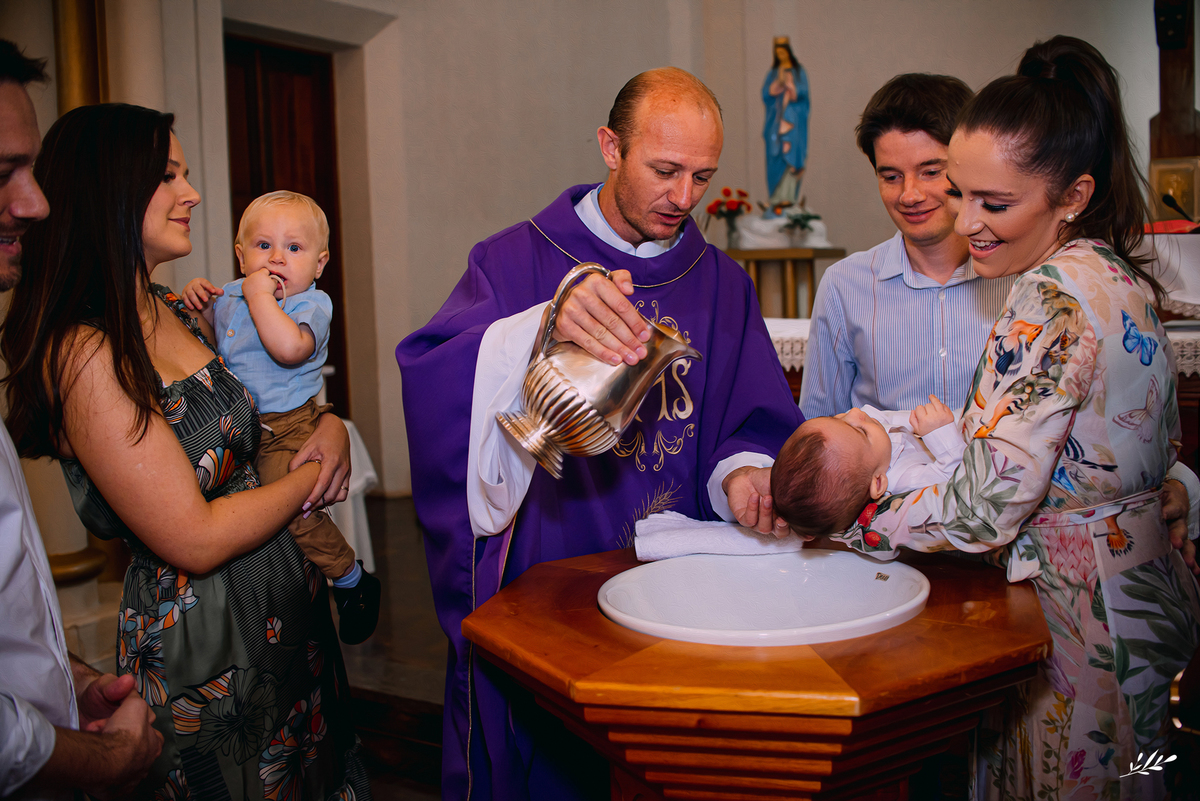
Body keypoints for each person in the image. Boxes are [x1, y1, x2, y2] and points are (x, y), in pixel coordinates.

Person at [397, 67, 803, 800]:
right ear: (611, 148)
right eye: (665, 170)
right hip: (548, 581)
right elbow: (434, 378)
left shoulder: (722, 283)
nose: (684, 197)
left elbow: (750, 415)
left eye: (703, 176)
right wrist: (540, 325)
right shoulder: (513, 258)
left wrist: (743, 472)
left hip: (678, 591)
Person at [834, 36, 1200, 799]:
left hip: (1077, 616)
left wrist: (857, 517)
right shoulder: (1116, 273)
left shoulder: (1048, 299)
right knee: (1142, 774)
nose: (967, 221)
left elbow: (982, 510)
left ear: (1072, 195)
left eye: (994, 203)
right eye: (961, 192)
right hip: (1140, 596)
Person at [1, 102, 371, 800]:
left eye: (186, 173)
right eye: (168, 175)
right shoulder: (85, 352)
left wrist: (328, 425)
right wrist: (316, 475)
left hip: (285, 612)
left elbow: (262, 409)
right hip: (210, 646)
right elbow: (193, 538)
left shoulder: (173, 308)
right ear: (110, 188)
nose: (192, 193)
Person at [0, 39, 162, 801]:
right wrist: (100, 760)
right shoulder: (84, 350)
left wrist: (61, 677)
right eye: (2, 172)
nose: (35, 203)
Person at [182, 190, 381, 645]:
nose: (276, 258)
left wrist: (258, 296)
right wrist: (204, 310)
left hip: (289, 424)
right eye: (263, 245)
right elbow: (214, 350)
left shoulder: (310, 303)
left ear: (319, 263)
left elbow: (290, 348)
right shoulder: (233, 295)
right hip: (242, 425)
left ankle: (350, 578)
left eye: (293, 247)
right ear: (241, 256)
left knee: (293, 506)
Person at [800, 73, 1020, 419]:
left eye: (930, 172)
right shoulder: (844, 285)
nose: (909, 195)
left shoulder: (1021, 278)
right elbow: (819, 423)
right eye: (891, 177)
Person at [772, 396, 962, 537]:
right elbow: (955, 479)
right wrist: (941, 432)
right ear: (878, 483)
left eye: (836, 418)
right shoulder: (904, 480)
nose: (856, 412)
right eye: (861, 431)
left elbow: (890, 419)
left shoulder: (871, 450)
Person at [762, 36, 809, 208]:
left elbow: (803, 96)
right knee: (776, 158)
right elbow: (766, 95)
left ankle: (789, 197)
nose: (781, 56)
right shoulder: (773, 73)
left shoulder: (798, 72)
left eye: (783, 52)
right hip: (776, 126)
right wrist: (775, 88)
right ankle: (775, 198)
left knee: (792, 158)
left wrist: (791, 86)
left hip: (793, 126)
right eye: (778, 53)